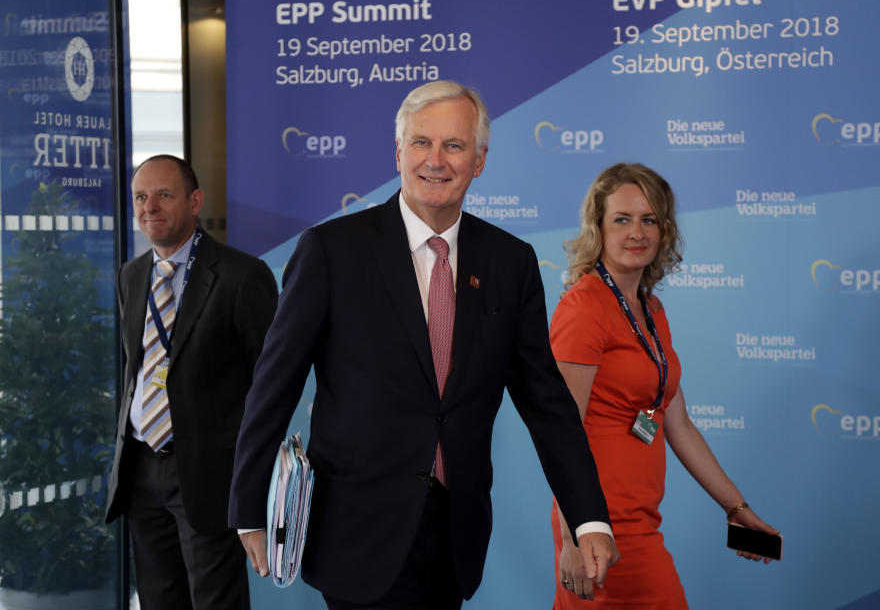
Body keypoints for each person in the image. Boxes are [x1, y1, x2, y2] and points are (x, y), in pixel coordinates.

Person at [229, 80, 619, 609]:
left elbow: (548, 404)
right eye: (421, 143)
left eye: (454, 146)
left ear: (479, 160)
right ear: (398, 153)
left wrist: (588, 517)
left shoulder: (510, 263)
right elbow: (274, 386)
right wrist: (251, 507)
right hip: (357, 534)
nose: (435, 160)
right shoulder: (332, 252)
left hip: (454, 535)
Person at [550, 163, 778, 608]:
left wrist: (736, 509)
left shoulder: (651, 311)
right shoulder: (584, 306)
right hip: (599, 530)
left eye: (649, 219)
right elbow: (559, 432)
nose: (637, 232)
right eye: (622, 219)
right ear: (598, 227)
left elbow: (678, 424)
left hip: (641, 524)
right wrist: (573, 538)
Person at [104, 155, 279, 610]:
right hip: (142, 468)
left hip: (208, 474)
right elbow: (135, 369)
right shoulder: (131, 275)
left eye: (164, 194)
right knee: (159, 599)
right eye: (141, 196)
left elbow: (271, 382)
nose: (150, 207)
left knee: (215, 602)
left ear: (195, 200)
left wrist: (250, 473)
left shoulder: (242, 277)